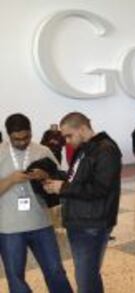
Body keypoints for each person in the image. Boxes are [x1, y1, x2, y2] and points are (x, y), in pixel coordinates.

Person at [43, 112, 122, 293]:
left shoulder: (106, 150)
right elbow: (77, 179)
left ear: (83, 129)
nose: (67, 141)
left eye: (69, 135)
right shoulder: (86, 149)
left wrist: (63, 188)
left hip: (91, 224)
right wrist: (54, 177)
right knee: (88, 275)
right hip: (81, 220)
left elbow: (100, 189)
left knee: (86, 280)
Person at [0, 114, 72, 293]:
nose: (23, 142)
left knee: (55, 271)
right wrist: (10, 180)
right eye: (17, 139)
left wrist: (46, 176)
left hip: (41, 223)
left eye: (26, 137)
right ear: (8, 135)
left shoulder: (43, 151)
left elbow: (60, 180)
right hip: (9, 228)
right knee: (15, 277)